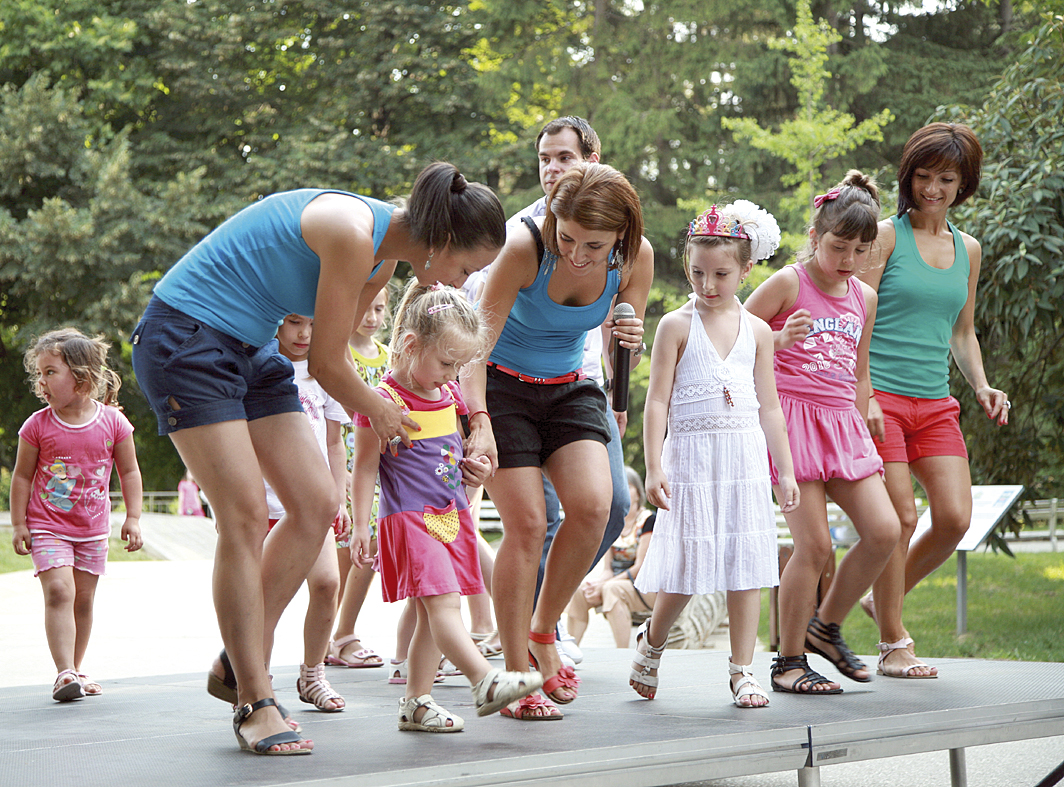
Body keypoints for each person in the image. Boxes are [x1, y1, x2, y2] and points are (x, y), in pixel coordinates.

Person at [130, 161, 505, 755]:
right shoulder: (355, 235)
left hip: (249, 346)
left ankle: (236, 659)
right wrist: (381, 414)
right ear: (440, 244)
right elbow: (329, 366)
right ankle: (254, 696)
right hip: (186, 337)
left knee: (316, 503)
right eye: (466, 268)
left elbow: (351, 357)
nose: (461, 283)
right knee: (246, 514)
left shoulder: (384, 258)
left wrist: (444, 430)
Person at [464, 161, 654, 720]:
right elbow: (477, 345)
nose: (575, 254)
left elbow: (622, 343)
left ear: (621, 233)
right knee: (525, 524)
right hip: (501, 388)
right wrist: (477, 420)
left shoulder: (633, 260)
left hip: (571, 387)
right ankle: (516, 672)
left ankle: (542, 631)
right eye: (566, 237)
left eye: (592, 245)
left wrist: (621, 390)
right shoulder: (524, 248)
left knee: (599, 509)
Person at [349, 282, 544, 733]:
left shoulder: (451, 396)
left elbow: (449, 456)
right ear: (411, 345)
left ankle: (416, 702)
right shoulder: (382, 402)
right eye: (445, 362)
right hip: (410, 519)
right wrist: (362, 526)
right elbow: (362, 469)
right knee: (444, 606)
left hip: (451, 517)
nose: (452, 373)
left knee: (428, 617)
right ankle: (484, 679)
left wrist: (474, 470)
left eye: (459, 365)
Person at [631, 203, 798, 708]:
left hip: (743, 459)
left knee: (746, 564)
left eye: (721, 274)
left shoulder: (759, 332)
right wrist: (654, 465)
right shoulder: (675, 326)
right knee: (687, 564)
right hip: (693, 460)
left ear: (746, 270)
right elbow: (657, 399)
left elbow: (769, 405)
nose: (708, 285)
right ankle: (652, 643)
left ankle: (742, 669)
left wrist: (784, 470)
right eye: (698, 272)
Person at [857, 123, 1009, 679]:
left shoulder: (967, 249)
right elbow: (858, 317)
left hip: (934, 401)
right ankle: (894, 642)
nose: (933, 189)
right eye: (923, 176)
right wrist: (863, 392)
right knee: (899, 518)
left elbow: (962, 332)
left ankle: (883, 596)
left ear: (964, 183)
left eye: (947, 179)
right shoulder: (885, 236)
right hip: (882, 401)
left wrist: (982, 386)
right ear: (908, 176)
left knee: (952, 518)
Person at [744, 171, 901, 695]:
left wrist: (863, 419)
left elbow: (858, 373)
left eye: (861, 250)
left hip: (842, 424)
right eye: (838, 246)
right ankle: (788, 662)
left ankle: (824, 626)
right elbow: (731, 333)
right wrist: (775, 337)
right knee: (812, 546)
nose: (848, 259)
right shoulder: (791, 281)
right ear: (814, 236)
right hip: (791, 421)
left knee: (884, 529)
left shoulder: (865, 298)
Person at [10, 329, 143, 702]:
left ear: (82, 377)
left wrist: (133, 517)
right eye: (39, 373)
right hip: (47, 525)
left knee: (83, 600)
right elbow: (22, 476)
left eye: (50, 372)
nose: (41, 382)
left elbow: (129, 472)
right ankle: (63, 671)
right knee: (59, 591)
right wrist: (20, 523)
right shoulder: (36, 425)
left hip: (91, 529)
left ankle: (76, 670)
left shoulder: (114, 424)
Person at [262, 314, 349, 712]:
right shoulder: (260, 367)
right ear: (276, 323)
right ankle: (255, 682)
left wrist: (339, 497)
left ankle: (313, 673)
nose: (305, 333)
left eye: (314, 324)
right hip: (266, 503)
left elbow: (335, 443)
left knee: (329, 584)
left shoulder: (325, 371)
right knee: (262, 601)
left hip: (314, 503)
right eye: (295, 322)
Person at [328, 288, 390, 669]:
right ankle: (328, 635)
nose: (371, 317)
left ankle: (343, 631)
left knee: (367, 551)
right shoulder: (336, 355)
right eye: (364, 308)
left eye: (380, 309)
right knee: (340, 557)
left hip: (379, 467)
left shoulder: (388, 356)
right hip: (345, 464)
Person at [565, 467, 657, 648]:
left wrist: (606, 585)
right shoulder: (612, 522)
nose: (623, 490)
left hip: (646, 586)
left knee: (612, 589)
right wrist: (598, 583)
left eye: (628, 486)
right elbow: (607, 569)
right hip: (616, 582)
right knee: (580, 591)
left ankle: (622, 652)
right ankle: (570, 649)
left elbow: (640, 567)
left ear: (638, 492)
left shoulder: (648, 520)